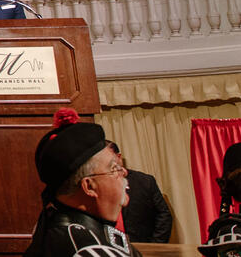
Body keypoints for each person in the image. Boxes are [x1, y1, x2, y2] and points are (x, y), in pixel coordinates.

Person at [25, 109, 140, 257]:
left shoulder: (60, 224)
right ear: (89, 186)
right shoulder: (89, 251)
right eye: (114, 168)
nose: (124, 172)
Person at [111, 142, 172, 243]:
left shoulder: (144, 181)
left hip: (144, 245)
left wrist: (155, 246)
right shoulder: (97, 184)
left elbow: (164, 215)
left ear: (119, 157)